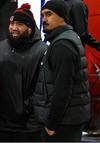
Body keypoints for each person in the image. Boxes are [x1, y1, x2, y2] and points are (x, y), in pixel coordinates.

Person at [32, 0, 91, 141]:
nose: (44, 19)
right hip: (68, 119)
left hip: (62, 123)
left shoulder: (62, 45)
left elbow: (62, 90)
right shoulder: (66, 39)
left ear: (63, 16)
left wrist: (51, 125)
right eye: (42, 15)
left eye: (49, 14)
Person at [0, 3, 47, 142]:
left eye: (19, 24)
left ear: (30, 27)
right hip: (0, 124)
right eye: (12, 23)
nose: (14, 28)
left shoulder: (42, 50)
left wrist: (25, 109)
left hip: (29, 127)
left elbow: (44, 89)